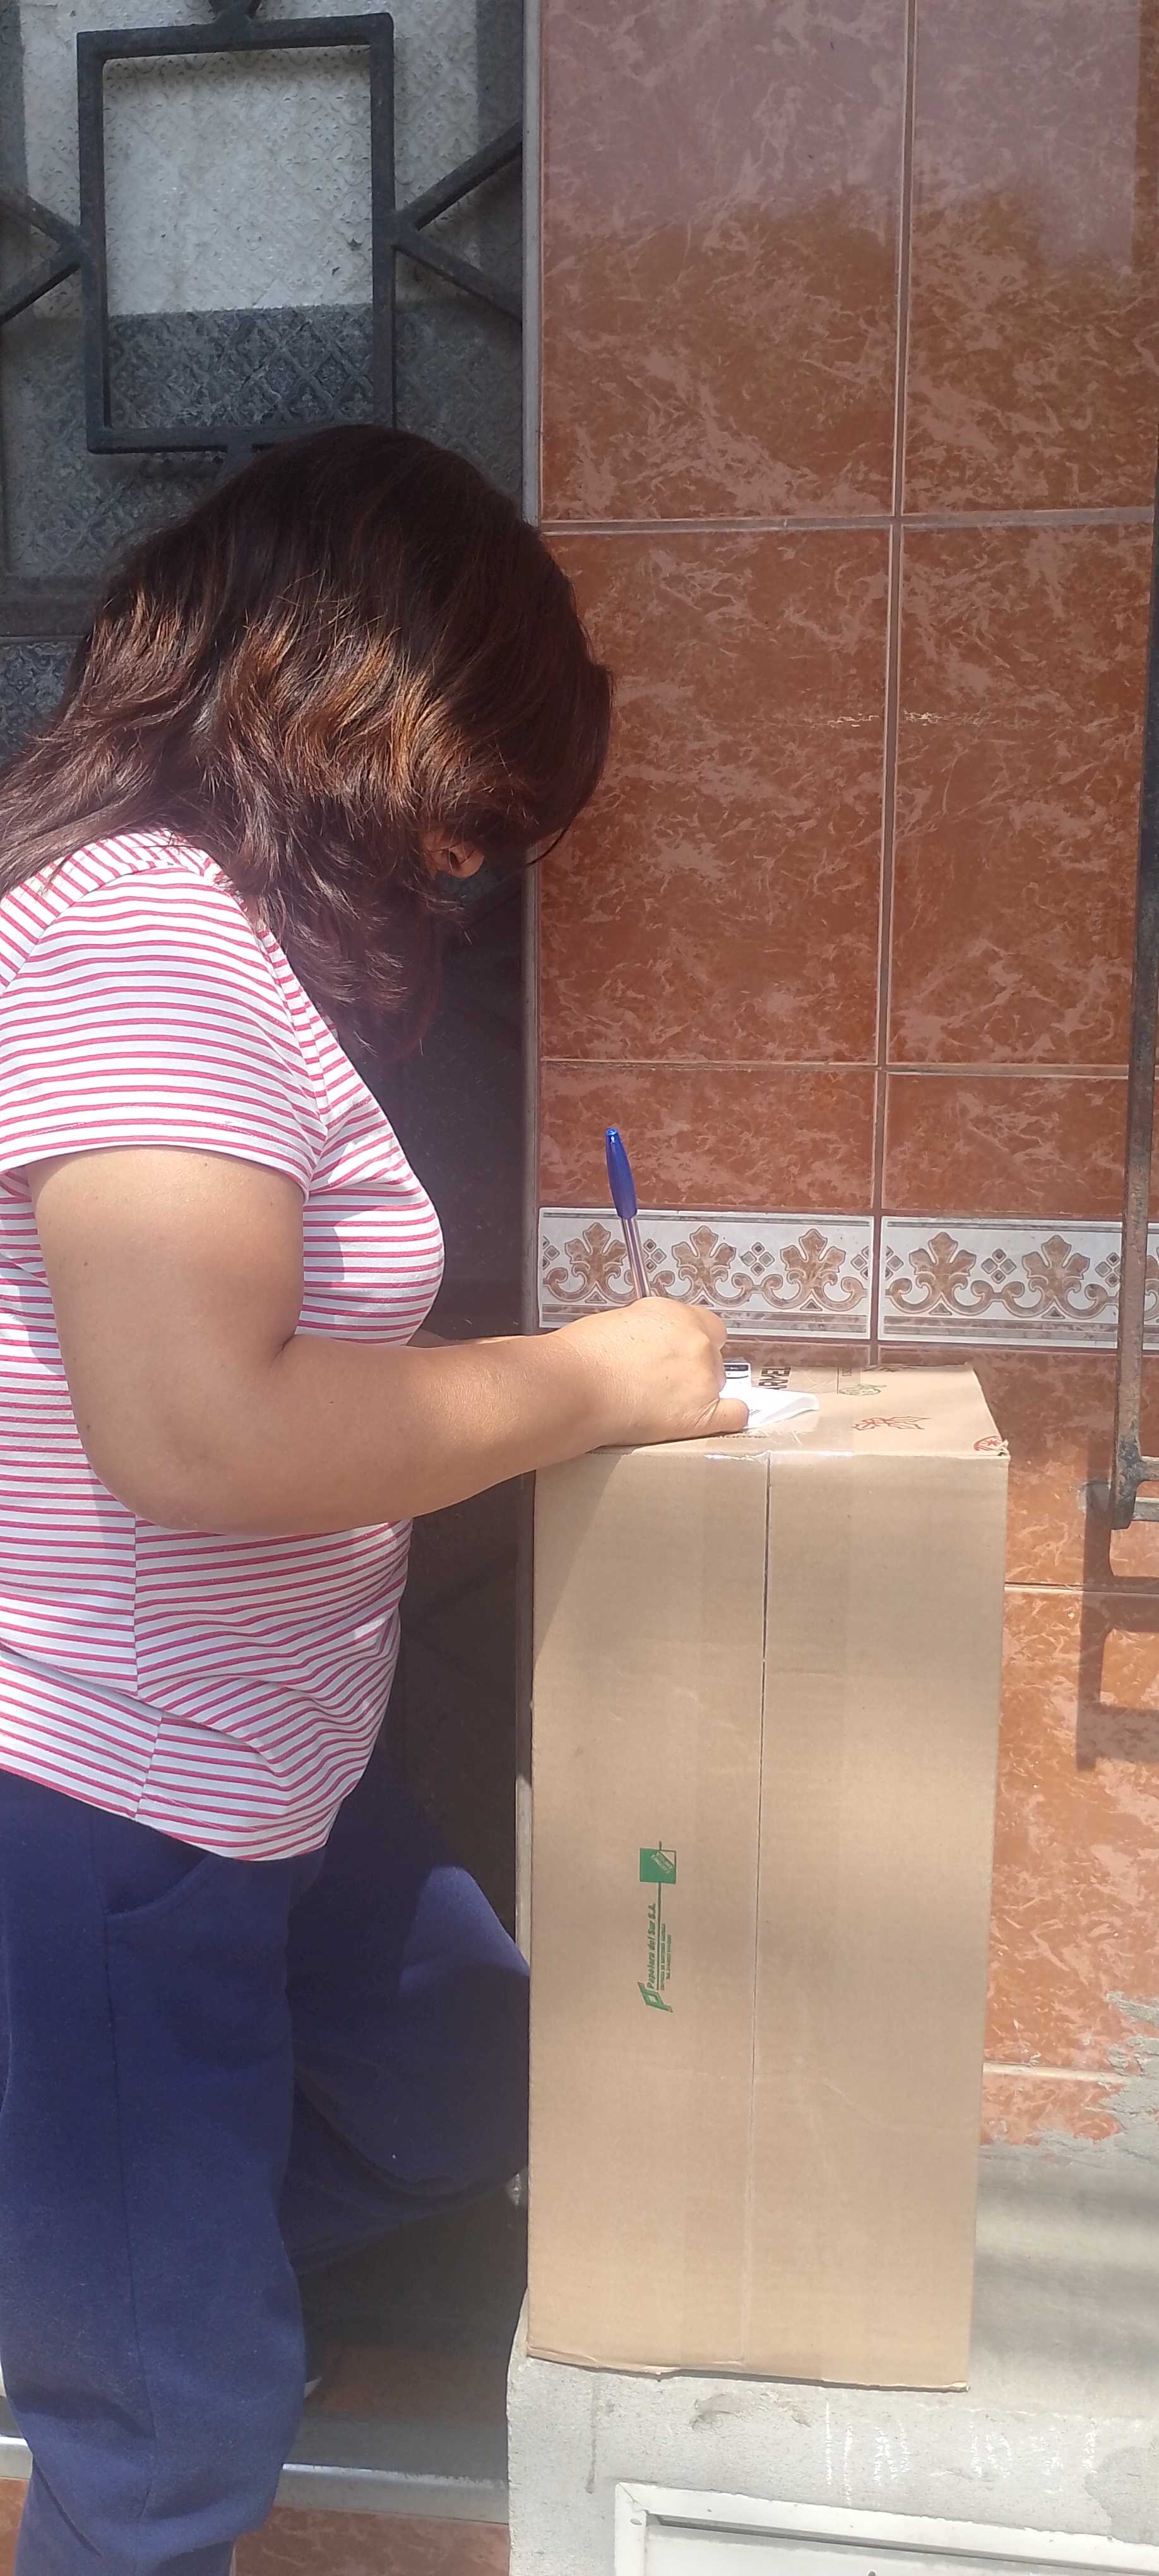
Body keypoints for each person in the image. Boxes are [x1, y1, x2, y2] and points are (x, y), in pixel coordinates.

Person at [0, 425, 747, 2574]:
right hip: (102, 1799)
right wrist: (593, 1382)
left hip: (262, 1786)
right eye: (467, 810)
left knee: (465, 2092)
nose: (461, 869)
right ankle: (135, 2325)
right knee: (170, 2454)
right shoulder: (144, 935)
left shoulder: (214, 951)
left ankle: (115, 2266)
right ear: (354, 701)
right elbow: (198, 1437)